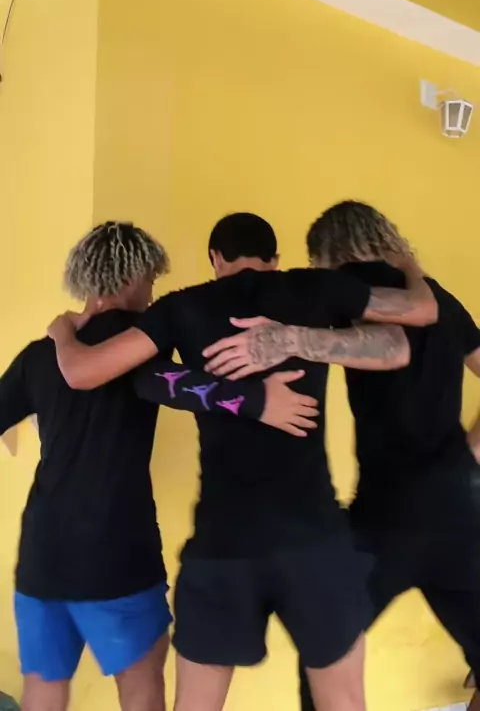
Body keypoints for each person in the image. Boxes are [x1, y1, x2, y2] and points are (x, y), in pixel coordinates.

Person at [47, 212, 437, 711]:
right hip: (314, 541)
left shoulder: (183, 306)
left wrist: (62, 333)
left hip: (223, 546)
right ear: (275, 260)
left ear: (216, 259)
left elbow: (93, 373)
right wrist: (406, 270)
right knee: (344, 703)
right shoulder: (317, 289)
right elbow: (413, 323)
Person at [0, 221, 320, 711]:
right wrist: (257, 401)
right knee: (142, 692)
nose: (152, 294)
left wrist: (59, 346)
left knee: (43, 693)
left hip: (42, 555)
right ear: (132, 278)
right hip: (116, 557)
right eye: (150, 281)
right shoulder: (137, 349)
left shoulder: (40, 356)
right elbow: (176, 383)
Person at [204, 202, 480, 711]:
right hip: (462, 505)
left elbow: (386, 344)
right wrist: (473, 450)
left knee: (326, 657)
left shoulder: (344, 292)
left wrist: (287, 338)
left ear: (325, 254)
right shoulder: (437, 297)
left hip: (387, 515)